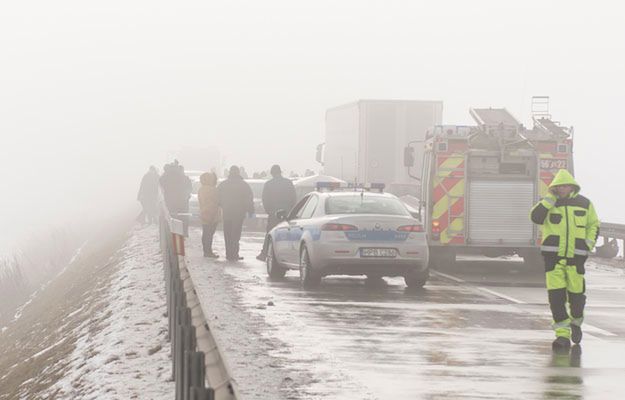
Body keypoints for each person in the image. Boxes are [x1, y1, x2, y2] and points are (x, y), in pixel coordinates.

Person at [530, 169, 600, 353]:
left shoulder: (585, 204)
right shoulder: (547, 203)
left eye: (564, 185)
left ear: (571, 186)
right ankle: (562, 334)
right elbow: (535, 217)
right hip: (553, 259)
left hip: (576, 259)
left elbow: (593, 224)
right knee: (556, 298)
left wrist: (588, 245)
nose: (561, 188)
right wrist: (549, 199)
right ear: (554, 187)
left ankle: (576, 322)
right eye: (558, 186)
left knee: (577, 298)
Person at [256, 165, 296, 261]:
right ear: (280, 172)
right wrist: (291, 210)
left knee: (270, 233)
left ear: (272, 173)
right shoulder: (288, 183)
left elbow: (265, 199)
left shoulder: (269, 184)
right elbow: (293, 198)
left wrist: (269, 210)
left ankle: (264, 253)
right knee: (286, 234)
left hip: (273, 212)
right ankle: (287, 255)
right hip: (286, 213)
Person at [218, 166, 254, 261]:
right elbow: (249, 199)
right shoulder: (244, 185)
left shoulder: (223, 184)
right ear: (238, 173)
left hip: (227, 213)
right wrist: (251, 211)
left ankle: (229, 254)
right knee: (236, 234)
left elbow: (217, 198)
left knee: (227, 234)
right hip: (239, 213)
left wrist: (222, 206)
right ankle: (234, 254)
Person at [198, 172, 220, 258]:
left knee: (205, 233)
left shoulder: (201, 189)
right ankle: (208, 251)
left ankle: (206, 251)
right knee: (209, 234)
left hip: (204, 213)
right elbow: (216, 202)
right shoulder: (212, 190)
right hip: (212, 214)